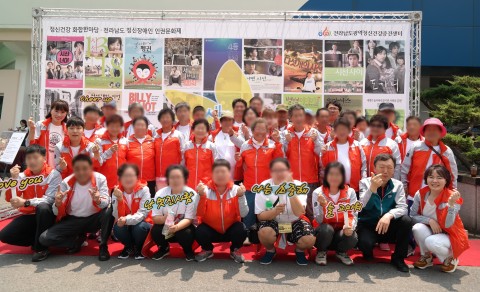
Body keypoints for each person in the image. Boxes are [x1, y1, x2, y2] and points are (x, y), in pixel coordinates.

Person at [39, 154, 112, 261]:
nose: (81, 172)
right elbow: (56, 212)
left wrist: (98, 200)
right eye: (77, 169)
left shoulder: (100, 179)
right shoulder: (65, 183)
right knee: (44, 238)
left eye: (85, 169)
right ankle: (76, 241)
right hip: (73, 220)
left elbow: (106, 203)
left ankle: (103, 246)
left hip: (93, 219)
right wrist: (57, 203)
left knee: (109, 211)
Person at [0, 145, 61, 262]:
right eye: (29, 158)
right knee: (4, 235)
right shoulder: (22, 176)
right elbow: (9, 198)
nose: (32, 161)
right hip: (30, 215)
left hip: (50, 215)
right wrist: (13, 179)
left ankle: (41, 249)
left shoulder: (53, 174)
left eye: (35, 157)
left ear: (44, 158)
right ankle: (39, 240)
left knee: (43, 207)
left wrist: (26, 202)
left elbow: (49, 200)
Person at [255, 158, 316, 265]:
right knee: (265, 233)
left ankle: (299, 251)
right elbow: (260, 216)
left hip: (294, 221)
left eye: (283, 170)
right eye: (275, 170)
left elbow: (299, 212)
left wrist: (291, 189)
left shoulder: (298, 185)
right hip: (274, 222)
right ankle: (270, 250)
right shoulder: (264, 186)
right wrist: (274, 212)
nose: (279, 174)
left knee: (309, 240)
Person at [357, 154, 412, 272]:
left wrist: (389, 215)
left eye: (389, 167)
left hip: (388, 225)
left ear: (394, 170)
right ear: (375, 168)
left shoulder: (398, 185)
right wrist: (372, 188)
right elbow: (361, 206)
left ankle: (398, 258)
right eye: (382, 167)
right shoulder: (364, 182)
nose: (385, 171)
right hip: (369, 225)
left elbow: (403, 207)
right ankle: (367, 251)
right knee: (365, 243)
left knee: (406, 221)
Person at [410, 165, 469, 273]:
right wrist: (429, 221)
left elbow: (448, 224)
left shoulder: (453, 197)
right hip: (432, 230)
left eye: (439, 177)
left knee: (431, 241)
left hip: (451, 234)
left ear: (446, 180)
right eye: (431, 177)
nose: (434, 180)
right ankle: (426, 257)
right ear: (426, 179)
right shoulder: (421, 194)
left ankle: (450, 257)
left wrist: (450, 205)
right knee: (417, 228)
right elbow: (412, 216)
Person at [195, 160, 249, 263]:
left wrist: (241, 196)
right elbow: (198, 213)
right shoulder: (205, 190)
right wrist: (200, 196)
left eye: (223, 172)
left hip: (230, 229)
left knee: (241, 228)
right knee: (200, 230)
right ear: (212, 174)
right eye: (217, 172)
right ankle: (207, 249)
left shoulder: (236, 190)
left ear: (229, 174)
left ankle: (235, 250)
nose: (220, 175)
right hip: (211, 230)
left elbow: (243, 214)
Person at [238, 118, 284, 230]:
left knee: (269, 214)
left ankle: (271, 237)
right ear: (252, 131)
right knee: (248, 215)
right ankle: (249, 236)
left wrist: (278, 143)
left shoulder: (273, 145)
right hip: (250, 188)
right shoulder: (245, 145)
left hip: (267, 189)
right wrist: (238, 160)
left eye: (263, 129)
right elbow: (240, 166)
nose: (260, 132)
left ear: (267, 132)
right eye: (257, 129)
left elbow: (279, 162)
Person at [281, 104, 323, 220]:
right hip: (291, 181)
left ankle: (311, 236)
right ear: (291, 118)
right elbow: (281, 157)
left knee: (310, 211)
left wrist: (316, 143)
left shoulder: (313, 133)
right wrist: (286, 143)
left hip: (310, 180)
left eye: (301, 115)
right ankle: (288, 237)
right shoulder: (285, 134)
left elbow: (321, 155)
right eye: (295, 116)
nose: (298, 118)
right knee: (289, 211)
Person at [312, 162, 358, 266]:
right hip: (324, 232)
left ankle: (341, 252)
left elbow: (353, 214)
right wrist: (322, 206)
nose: (334, 177)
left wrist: (350, 226)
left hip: (341, 232)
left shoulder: (350, 192)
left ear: (343, 177)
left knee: (353, 236)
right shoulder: (317, 192)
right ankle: (321, 251)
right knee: (326, 229)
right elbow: (318, 219)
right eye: (331, 174)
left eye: (338, 174)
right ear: (326, 175)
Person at [401, 118, 458, 202]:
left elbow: (452, 174)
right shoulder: (415, 147)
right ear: (424, 132)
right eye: (428, 130)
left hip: (437, 198)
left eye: (435, 129)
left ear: (440, 133)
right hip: (414, 196)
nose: (431, 132)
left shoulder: (446, 151)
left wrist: (453, 191)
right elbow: (405, 169)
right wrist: (404, 186)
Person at [150, 165, 199, 261]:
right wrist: (165, 219)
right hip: (166, 226)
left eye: (178, 177)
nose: (175, 180)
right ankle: (164, 248)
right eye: (172, 177)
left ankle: (188, 250)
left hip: (183, 226)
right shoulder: (159, 194)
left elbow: (189, 219)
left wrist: (176, 227)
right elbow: (155, 217)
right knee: (156, 231)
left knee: (186, 233)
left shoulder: (191, 194)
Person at [112, 164, 152, 260]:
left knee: (140, 227)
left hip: (143, 222)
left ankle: (139, 247)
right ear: (120, 178)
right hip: (126, 223)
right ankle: (129, 246)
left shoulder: (144, 190)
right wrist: (120, 199)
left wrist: (127, 219)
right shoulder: (116, 192)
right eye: (125, 176)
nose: (128, 179)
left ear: (137, 177)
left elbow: (143, 213)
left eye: (131, 175)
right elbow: (116, 215)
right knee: (117, 227)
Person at [321, 118, 367, 194]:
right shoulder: (328, 147)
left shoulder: (357, 145)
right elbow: (323, 168)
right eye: (339, 129)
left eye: (344, 129)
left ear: (349, 130)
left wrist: (362, 184)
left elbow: (364, 166)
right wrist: (323, 154)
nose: (342, 132)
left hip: (355, 188)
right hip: (334, 189)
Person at [28, 100, 69, 168]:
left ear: (66, 113)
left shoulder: (68, 128)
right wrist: (32, 129)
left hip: (60, 169)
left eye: (62, 112)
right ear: (51, 110)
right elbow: (32, 145)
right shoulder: (41, 125)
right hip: (41, 167)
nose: (59, 115)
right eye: (56, 111)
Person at [360, 114, 401, 179]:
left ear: (385, 129)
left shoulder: (391, 144)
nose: (375, 128)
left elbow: (397, 167)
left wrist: (394, 184)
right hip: (365, 184)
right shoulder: (362, 143)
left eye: (379, 126)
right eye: (373, 125)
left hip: (384, 185)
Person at [182, 119, 218, 189]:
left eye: (203, 128)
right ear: (193, 130)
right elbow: (182, 166)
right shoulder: (186, 146)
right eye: (198, 128)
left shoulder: (211, 147)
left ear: (207, 131)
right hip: (189, 186)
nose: (200, 131)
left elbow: (216, 167)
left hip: (206, 186)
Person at [155, 108, 185, 190]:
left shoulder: (178, 135)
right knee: (161, 200)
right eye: (162, 117)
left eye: (167, 117)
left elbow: (183, 155)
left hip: (174, 176)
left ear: (172, 120)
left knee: (173, 200)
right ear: (159, 120)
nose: (165, 119)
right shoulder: (156, 136)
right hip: (159, 177)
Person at [96, 114, 128, 192]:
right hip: (105, 182)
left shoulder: (125, 141)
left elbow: (128, 160)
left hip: (122, 182)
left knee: (120, 204)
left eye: (117, 126)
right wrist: (109, 151)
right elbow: (98, 161)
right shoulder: (100, 141)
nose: (114, 129)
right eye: (112, 126)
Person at [126, 117, 156, 197]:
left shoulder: (153, 141)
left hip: (150, 180)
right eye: (137, 125)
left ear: (147, 128)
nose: (140, 127)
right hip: (132, 179)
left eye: (142, 125)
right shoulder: (127, 142)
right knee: (134, 204)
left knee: (150, 205)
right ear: (133, 127)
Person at [209, 110, 237, 178]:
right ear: (221, 121)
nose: (227, 122)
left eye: (229, 120)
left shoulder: (238, 135)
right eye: (224, 120)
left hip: (234, 176)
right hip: (218, 174)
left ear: (233, 122)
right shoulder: (213, 136)